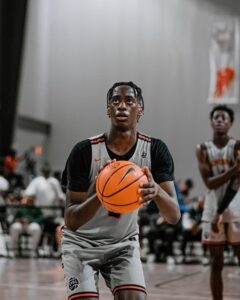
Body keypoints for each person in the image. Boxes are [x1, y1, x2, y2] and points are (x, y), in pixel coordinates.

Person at [61, 81, 180, 300]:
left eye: (129, 101)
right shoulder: (84, 151)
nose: (121, 106)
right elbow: (71, 220)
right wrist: (101, 193)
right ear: (108, 109)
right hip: (80, 245)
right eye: (115, 101)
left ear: (140, 109)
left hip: (123, 245)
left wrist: (157, 192)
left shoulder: (155, 150)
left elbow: (173, 216)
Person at [196, 104, 240, 300]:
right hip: (212, 206)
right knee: (216, 263)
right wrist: (234, 169)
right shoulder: (203, 148)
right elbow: (209, 182)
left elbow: (236, 184)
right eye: (216, 117)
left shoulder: (237, 146)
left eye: (224, 118)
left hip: (235, 207)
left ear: (231, 123)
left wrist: (219, 213)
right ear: (211, 122)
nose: (220, 120)